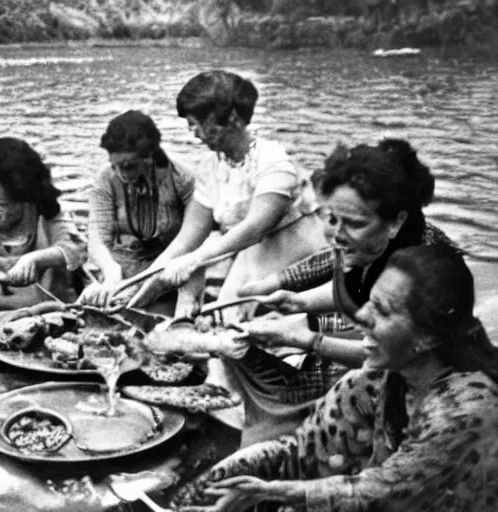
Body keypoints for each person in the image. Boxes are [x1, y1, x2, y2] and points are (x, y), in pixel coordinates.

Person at [171, 244, 498, 512]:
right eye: (368, 303)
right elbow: (304, 451)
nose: (362, 317)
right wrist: (230, 480)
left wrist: (270, 492)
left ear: (427, 337)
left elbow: (385, 491)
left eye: (383, 311)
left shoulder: (468, 409)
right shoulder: (374, 383)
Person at [124, 70, 327, 443]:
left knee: (268, 343)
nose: (193, 133)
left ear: (230, 120)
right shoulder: (213, 168)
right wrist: (138, 285)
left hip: (298, 267)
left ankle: (277, 420)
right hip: (249, 266)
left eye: (198, 124)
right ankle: (223, 397)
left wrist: (198, 262)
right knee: (218, 329)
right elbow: (188, 236)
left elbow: (253, 227)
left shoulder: (274, 162)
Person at [237, 139, 456, 366]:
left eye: (355, 223)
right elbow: (334, 267)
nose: (337, 235)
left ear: (395, 221)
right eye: (334, 219)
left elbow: (387, 355)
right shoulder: (374, 242)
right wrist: (295, 300)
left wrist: (305, 339)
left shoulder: (423, 267)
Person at [78, 110, 195, 314]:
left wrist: (149, 279)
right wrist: (112, 274)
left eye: (129, 166)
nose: (122, 174)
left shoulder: (182, 178)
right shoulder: (106, 179)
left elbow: (196, 235)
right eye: (116, 166)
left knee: (155, 320)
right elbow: (97, 239)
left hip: (169, 267)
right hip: (123, 265)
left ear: (150, 155)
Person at [0, 137, 86, 314]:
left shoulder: (46, 215)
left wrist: (36, 259)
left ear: (22, 196)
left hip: (50, 315)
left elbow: (76, 249)